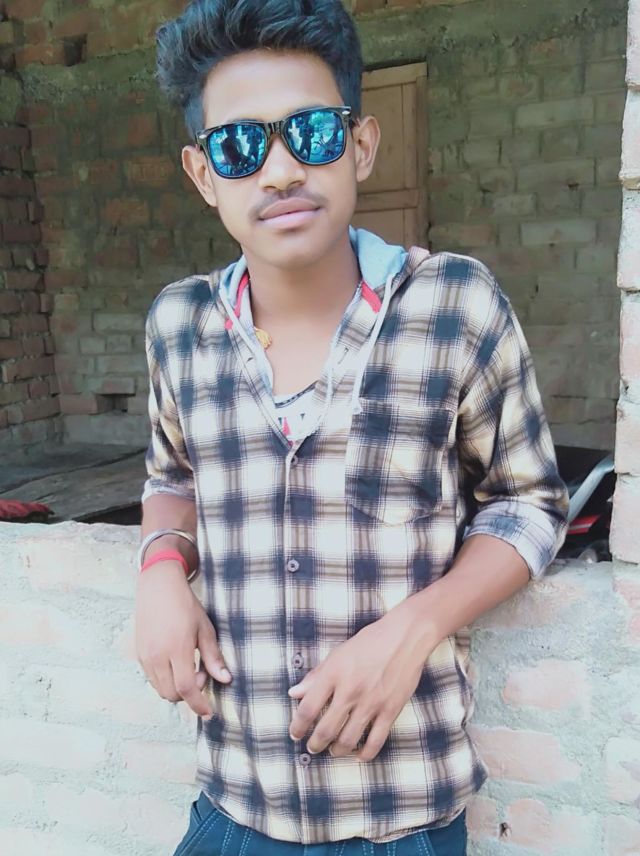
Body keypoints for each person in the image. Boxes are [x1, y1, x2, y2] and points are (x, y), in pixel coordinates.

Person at [135, 1, 569, 854]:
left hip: (399, 811)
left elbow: (529, 503)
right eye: (239, 146)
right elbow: (171, 475)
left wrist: (416, 628)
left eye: (312, 134)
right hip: (236, 798)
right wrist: (158, 570)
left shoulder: (454, 305)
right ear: (203, 174)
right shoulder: (178, 326)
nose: (280, 171)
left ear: (361, 144)